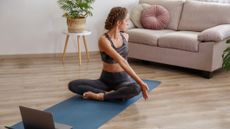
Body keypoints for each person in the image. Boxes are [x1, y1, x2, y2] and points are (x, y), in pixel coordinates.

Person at [68, 7, 149, 101]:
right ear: (119, 22)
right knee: (73, 85)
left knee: (136, 88)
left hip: (123, 80)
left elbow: (124, 61)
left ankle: (100, 96)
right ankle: (113, 95)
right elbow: (121, 60)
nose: (128, 23)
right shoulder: (104, 40)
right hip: (105, 81)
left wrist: (139, 84)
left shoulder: (126, 36)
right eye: (126, 20)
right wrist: (140, 81)